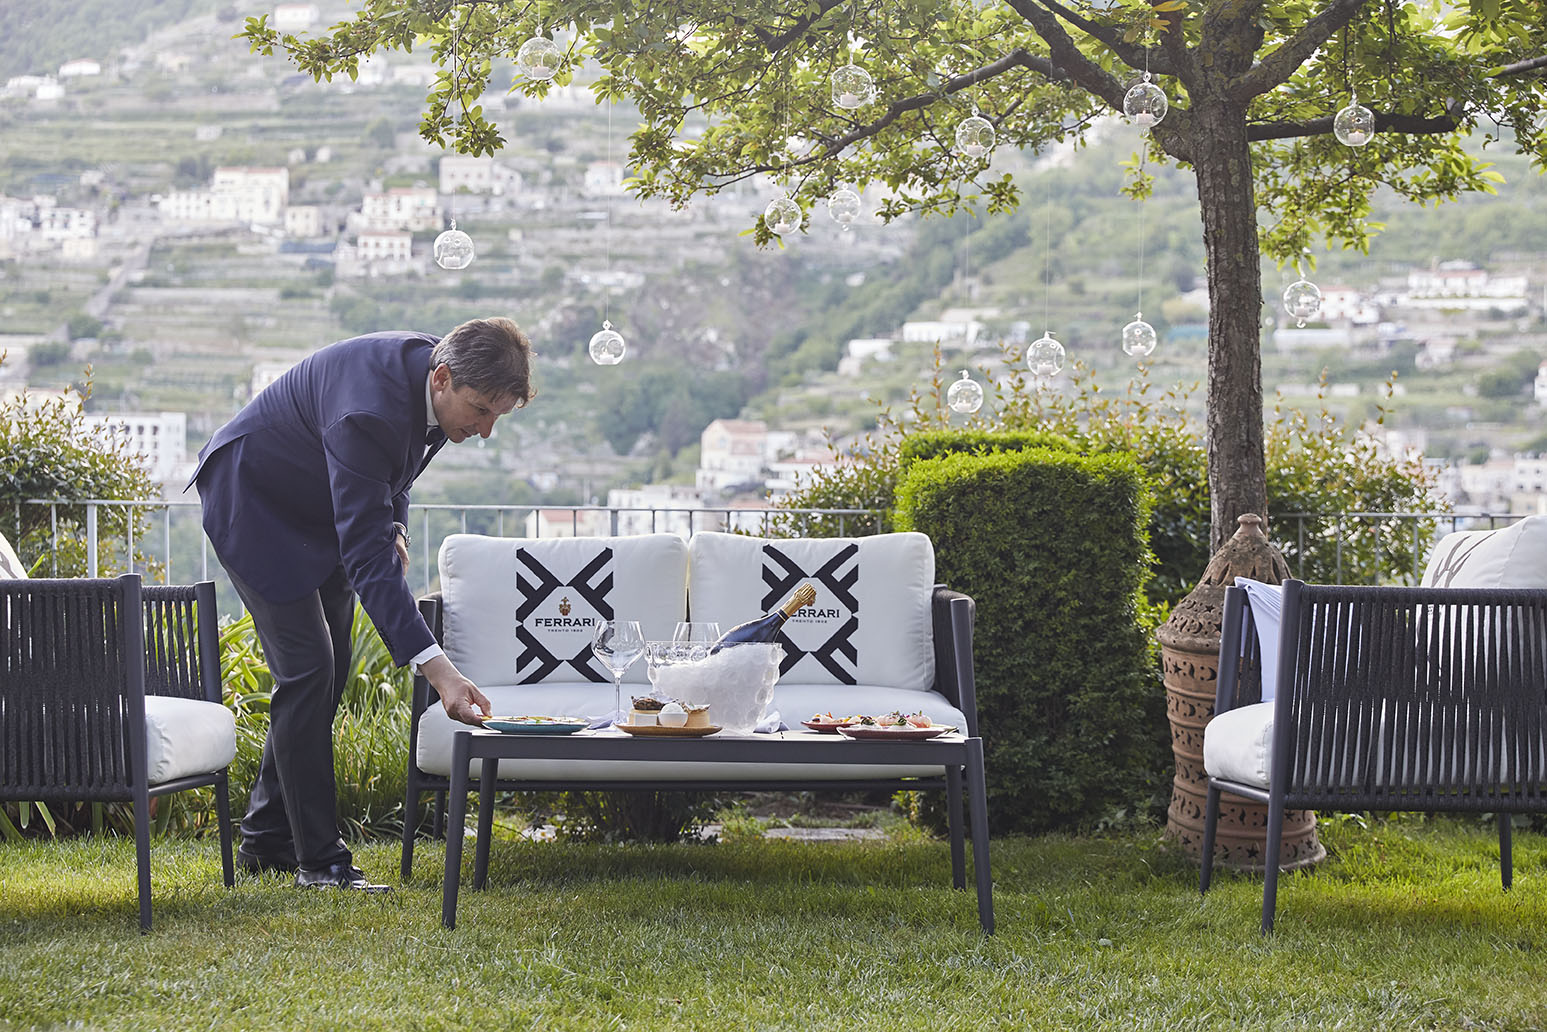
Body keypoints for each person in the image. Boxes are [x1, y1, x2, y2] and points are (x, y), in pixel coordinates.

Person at [191, 318, 535, 891]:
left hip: (316, 507)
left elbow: (393, 473)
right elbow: (368, 561)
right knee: (308, 672)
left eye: (498, 416)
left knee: (331, 670)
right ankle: (321, 863)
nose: (485, 430)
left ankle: (265, 841)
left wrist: (394, 523)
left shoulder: (432, 382)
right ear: (444, 379)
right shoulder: (369, 411)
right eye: (481, 411)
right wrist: (442, 673)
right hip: (253, 503)